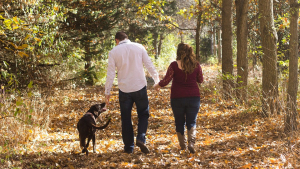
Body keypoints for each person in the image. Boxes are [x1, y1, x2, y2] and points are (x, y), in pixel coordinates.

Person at [105, 32, 159, 154]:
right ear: (127, 38)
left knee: (126, 118)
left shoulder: (113, 52)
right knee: (143, 114)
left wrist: (107, 91)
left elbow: (110, 74)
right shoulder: (139, 47)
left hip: (124, 90)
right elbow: (149, 65)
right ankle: (141, 137)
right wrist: (157, 81)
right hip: (140, 87)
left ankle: (129, 148)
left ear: (116, 40)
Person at [153, 43, 203, 153]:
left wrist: (158, 85)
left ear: (178, 52)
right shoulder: (196, 65)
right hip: (193, 97)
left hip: (177, 97)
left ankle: (183, 146)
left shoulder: (174, 65)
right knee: (192, 121)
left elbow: (166, 80)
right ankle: (191, 143)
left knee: (179, 121)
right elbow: (200, 80)